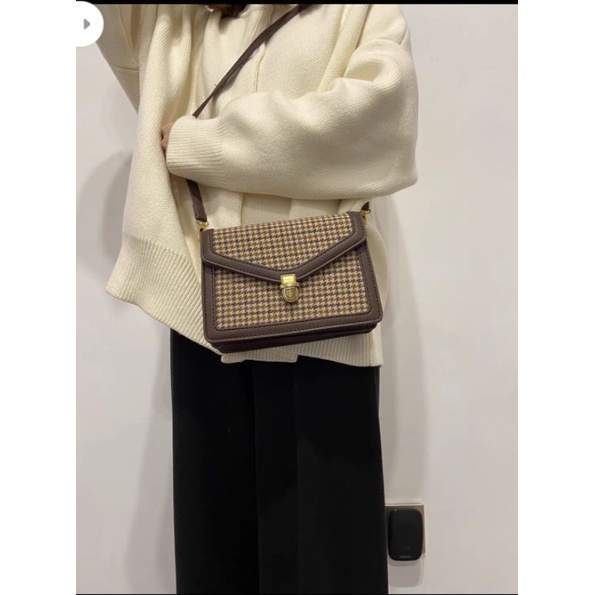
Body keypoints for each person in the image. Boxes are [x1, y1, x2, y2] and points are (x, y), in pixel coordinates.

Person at [93, 4, 418, 594]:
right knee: (218, 554)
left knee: (329, 559)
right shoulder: (181, 20)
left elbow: (379, 124)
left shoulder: (357, 10)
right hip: (208, 321)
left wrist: (200, 143)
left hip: (327, 319)